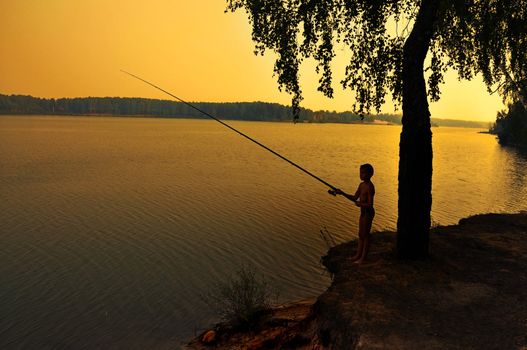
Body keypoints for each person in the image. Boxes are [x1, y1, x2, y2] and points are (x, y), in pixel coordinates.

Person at [329, 164, 375, 264]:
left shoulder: (370, 187)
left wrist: (360, 204)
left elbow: (370, 204)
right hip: (363, 212)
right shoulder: (361, 185)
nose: (361, 175)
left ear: (370, 174)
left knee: (366, 235)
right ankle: (357, 255)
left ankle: (363, 258)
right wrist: (342, 193)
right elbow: (354, 197)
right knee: (360, 234)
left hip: (368, 213)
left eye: (364, 173)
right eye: (360, 172)